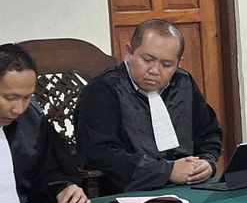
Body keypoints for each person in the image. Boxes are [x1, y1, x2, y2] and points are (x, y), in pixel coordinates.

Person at [76, 19, 222, 194]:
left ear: (178, 63)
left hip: (191, 186)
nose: (154, 70)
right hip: (129, 192)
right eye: (147, 60)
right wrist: (166, 171)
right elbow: (100, 154)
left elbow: (208, 132)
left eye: (167, 64)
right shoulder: (102, 91)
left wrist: (207, 161)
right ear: (129, 52)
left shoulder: (183, 82)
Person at [0, 44, 88, 203]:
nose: (19, 109)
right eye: (10, 98)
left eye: (27, 97)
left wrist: (63, 188)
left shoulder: (32, 117)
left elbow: (46, 172)